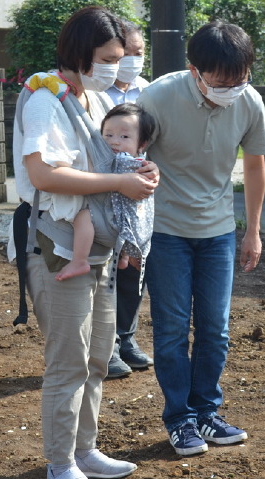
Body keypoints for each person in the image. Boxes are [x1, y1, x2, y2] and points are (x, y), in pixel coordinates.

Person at [13, 6, 159, 479]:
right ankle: (59, 467)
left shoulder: (92, 101)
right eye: (107, 58)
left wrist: (138, 174)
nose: (116, 67)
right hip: (57, 247)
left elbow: (113, 158)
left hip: (97, 248)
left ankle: (84, 450)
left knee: (98, 356)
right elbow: (44, 176)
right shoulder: (44, 100)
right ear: (80, 54)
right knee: (68, 362)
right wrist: (121, 181)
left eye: (120, 58)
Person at [136, 21, 265, 457]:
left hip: (218, 232)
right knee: (173, 329)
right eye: (221, 81)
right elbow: (130, 156)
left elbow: (254, 166)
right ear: (196, 70)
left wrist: (252, 230)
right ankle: (179, 418)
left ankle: (206, 412)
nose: (232, 88)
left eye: (240, 79)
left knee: (215, 329)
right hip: (166, 230)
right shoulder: (157, 96)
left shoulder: (249, 101)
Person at [55, 103, 157, 282]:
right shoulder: (142, 162)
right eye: (108, 135)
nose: (114, 141)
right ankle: (124, 256)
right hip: (130, 224)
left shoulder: (122, 160)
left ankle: (79, 260)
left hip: (116, 219)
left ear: (141, 144)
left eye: (124, 136)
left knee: (83, 215)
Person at [105, 20, 154, 378]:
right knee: (107, 270)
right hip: (103, 195)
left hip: (138, 197)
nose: (133, 60)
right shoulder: (93, 92)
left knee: (135, 266)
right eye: (126, 54)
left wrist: (153, 171)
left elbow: (155, 146)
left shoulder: (149, 93)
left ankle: (126, 337)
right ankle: (105, 344)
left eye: (139, 53)